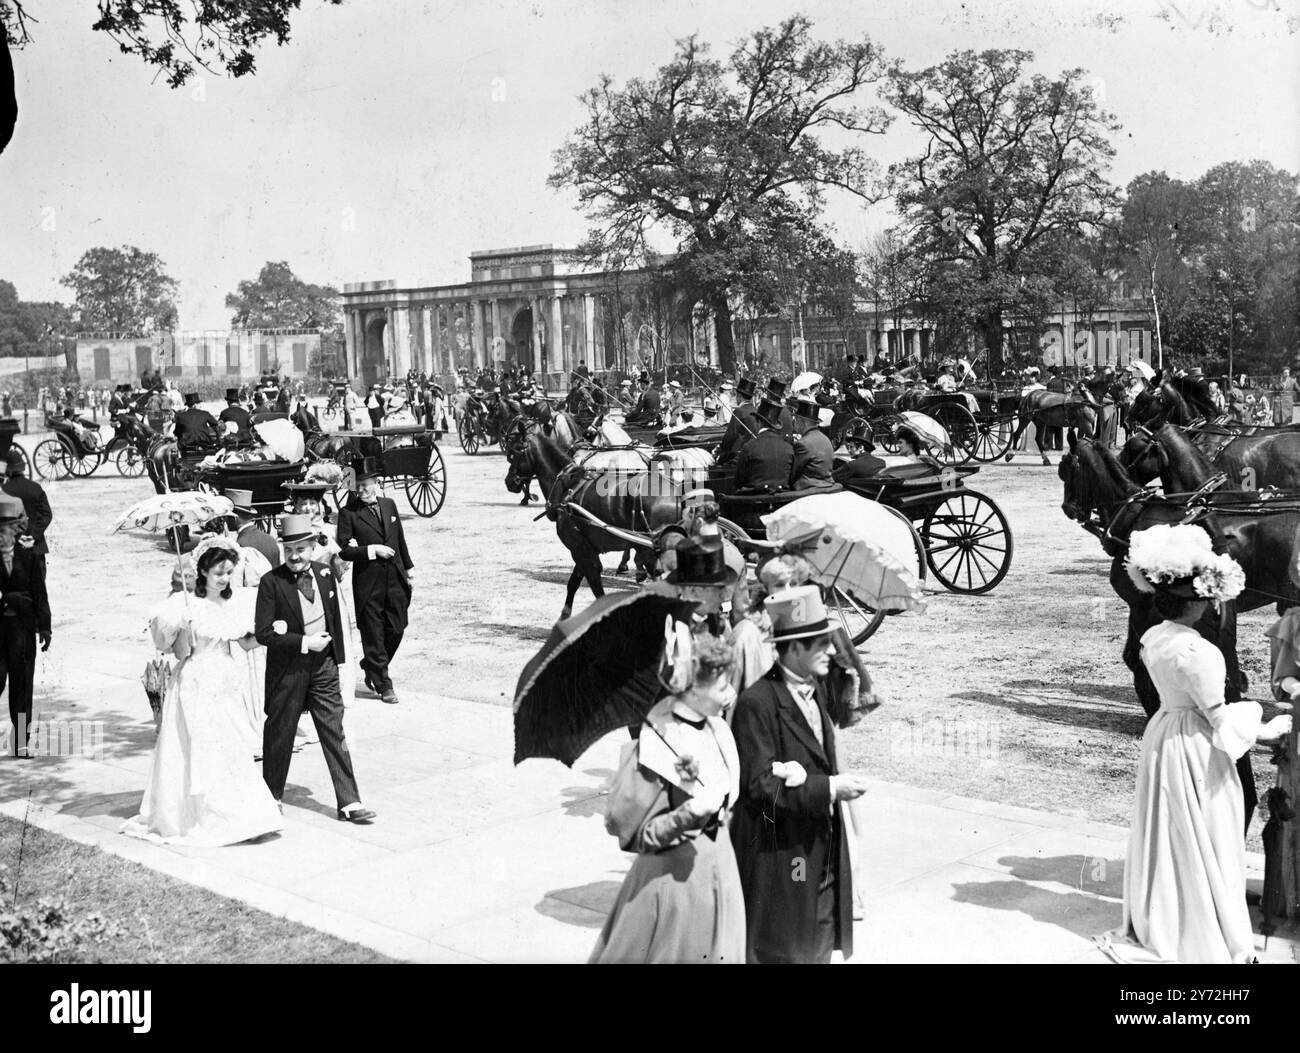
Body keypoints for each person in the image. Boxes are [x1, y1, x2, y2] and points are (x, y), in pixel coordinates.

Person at [1099, 525, 1289, 963]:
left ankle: (1167, 910)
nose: (1211, 604)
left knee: (1170, 826)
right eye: (1206, 598)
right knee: (1206, 824)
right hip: (1194, 745)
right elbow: (1219, 718)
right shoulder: (1199, 652)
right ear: (1194, 603)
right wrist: (1266, 723)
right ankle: (1200, 919)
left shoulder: (1154, 638)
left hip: (1165, 732)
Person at [729, 585, 865, 963]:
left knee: (817, 938)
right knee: (789, 944)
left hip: (819, 844)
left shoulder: (814, 688)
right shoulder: (757, 703)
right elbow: (760, 787)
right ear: (793, 648)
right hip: (786, 854)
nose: (831, 650)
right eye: (820, 645)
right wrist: (829, 789)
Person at [590, 634, 745, 963]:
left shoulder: (717, 729)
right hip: (674, 883)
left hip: (719, 869)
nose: (730, 694)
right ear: (692, 689)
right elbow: (636, 834)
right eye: (721, 687)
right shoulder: (658, 742)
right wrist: (688, 814)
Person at [122, 541, 281, 843]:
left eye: (229, 573)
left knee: (231, 746)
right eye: (219, 573)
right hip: (196, 682)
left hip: (225, 682)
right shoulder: (186, 606)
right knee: (201, 748)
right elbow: (182, 654)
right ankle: (205, 816)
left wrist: (273, 633)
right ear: (203, 571)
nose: (224, 579)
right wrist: (185, 628)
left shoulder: (232, 603)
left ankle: (244, 815)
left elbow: (246, 643)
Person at [254, 515, 376, 824]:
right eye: (289, 550)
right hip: (288, 671)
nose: (295, 556)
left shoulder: (324, 574)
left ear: (312, 547)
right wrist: (305, 642)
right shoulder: (272, 582)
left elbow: (337, 620)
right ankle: (272, 797)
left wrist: (339, 663)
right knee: (280, 735)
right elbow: (264, 633)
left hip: (323, 669)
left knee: (334, 730)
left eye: (301, 549)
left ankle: (350, 802)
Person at [337, 458, 415, 705]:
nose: (363, 490)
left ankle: (371, 665)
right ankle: (383, 684)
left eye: (367, 484)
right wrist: (371, 550)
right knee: (373, 633)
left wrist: (410, 569)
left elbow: (399, 540)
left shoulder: (389, 505)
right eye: (358, 485)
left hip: (395, 579)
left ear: (377, 483)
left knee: (397, 627)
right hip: (368, 583)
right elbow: (344, 550)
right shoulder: (348, 513)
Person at [284, 479, 359, 706]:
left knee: (338, 635)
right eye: (303, 503)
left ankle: (338, 687)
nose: (308, 508)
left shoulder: (329, 530)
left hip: (329, 591)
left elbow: (340, 562)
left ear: (320, 505)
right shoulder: (291, 530)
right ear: (296, 507)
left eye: (313, 503)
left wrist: (341, 558)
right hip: (302, 589)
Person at [0, 496, 50, 759]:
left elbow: (39, 590)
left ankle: (20, 743)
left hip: (22, 626)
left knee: (22, 686)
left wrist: (45, 627)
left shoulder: (29, 552)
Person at [732, 396, 794, 494]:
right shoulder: (789, 449)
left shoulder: (749, 447)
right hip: (781, 502)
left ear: (759, 422)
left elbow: (738, 482)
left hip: (753, 503)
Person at [2, 448, 51, 569]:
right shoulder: (36, 488)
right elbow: (47, 515)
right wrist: (33, 535)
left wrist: (19, 537)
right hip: (36, 549)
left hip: (12, 552)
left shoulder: (4, 492)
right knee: (38, 586)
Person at [224, 489, 281, 568]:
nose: (225, 520)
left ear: (235, 517)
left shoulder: (241, 545)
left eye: (227, 516)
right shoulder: (271, 540)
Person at [790, 396, 835, 490]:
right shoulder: (826, 439)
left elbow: (792, 473)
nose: (794, 423)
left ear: (802, 423)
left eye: (796, 420)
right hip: (828, 485)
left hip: (809, 489)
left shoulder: (803, 444)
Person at [717, 376, 759, 461]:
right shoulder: (757, 411)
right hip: (756, 451)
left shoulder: (739, 411)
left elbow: (730, 436)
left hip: (740, 455)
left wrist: (721, 452)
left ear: (739, 396)